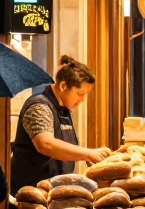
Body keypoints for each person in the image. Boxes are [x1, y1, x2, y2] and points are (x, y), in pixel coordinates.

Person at [10, 55, 110, 194]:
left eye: (86, 94)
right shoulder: (39, 105)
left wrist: (85, 156)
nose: (82, 100)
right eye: (80, 93)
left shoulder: (63, 108)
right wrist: (87, 153)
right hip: (31, 192)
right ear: (63, 86)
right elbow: (46, 144)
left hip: (55, 192)